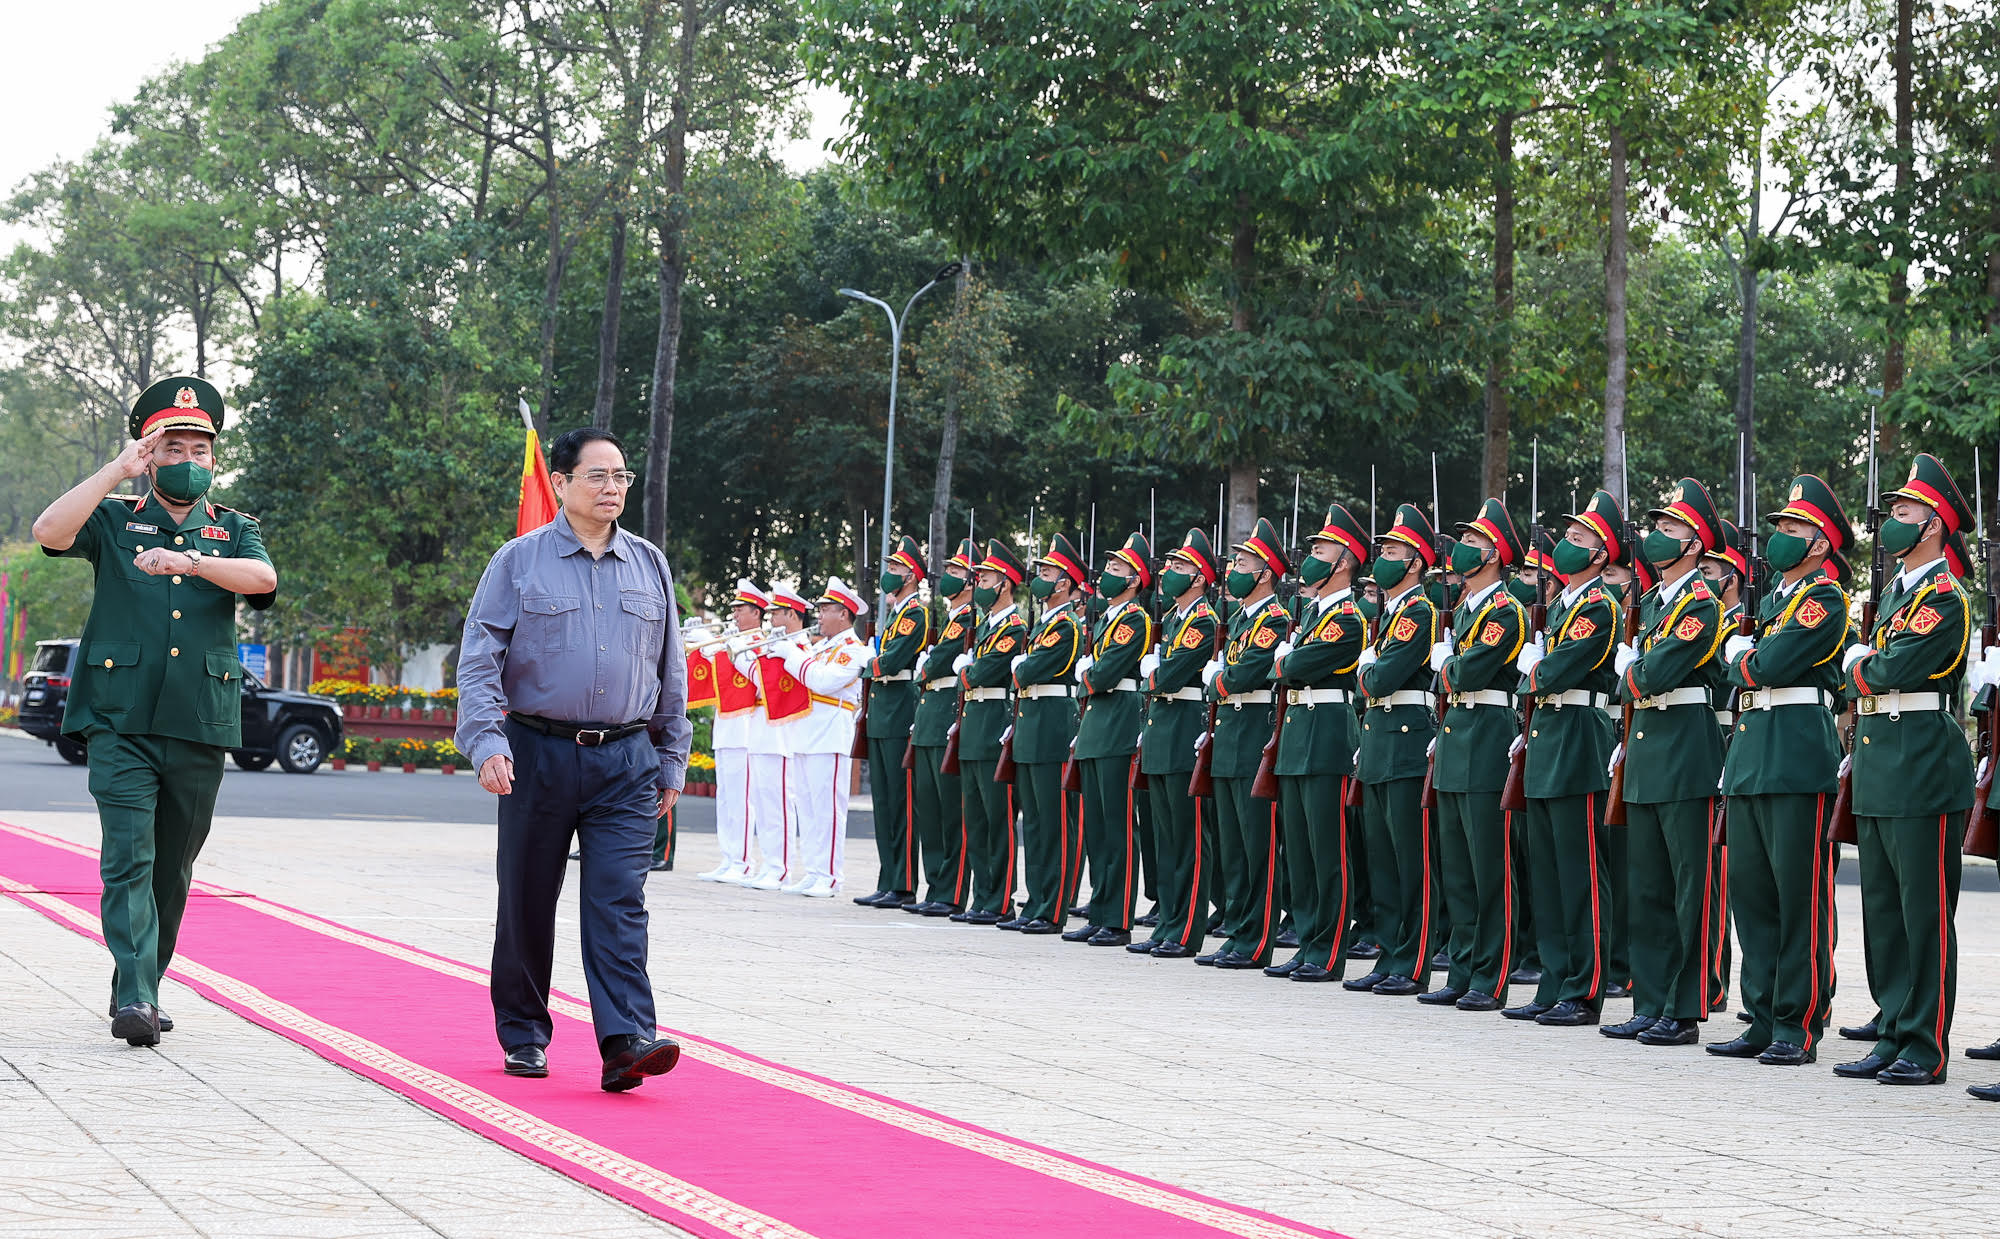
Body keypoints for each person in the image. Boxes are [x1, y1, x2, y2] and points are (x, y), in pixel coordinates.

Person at [33, 377, 279, 1047]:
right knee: (128, 858)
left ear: (216, 459)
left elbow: (265, 581)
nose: (188, 458)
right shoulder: (113, 517)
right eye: (173, 446)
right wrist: (117, 469)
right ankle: (137, 996)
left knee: (173, 866)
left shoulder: (234, 529)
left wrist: (194, 561)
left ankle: (140, 978)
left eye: (200, 447)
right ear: (150, 450)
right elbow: (48, 531)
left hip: (199, 721)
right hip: (118, 720)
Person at [456, 425, 690, 1092]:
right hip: (539, 752)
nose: (612, 487)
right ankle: (525, 1031)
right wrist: (487, 741)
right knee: (528, 897)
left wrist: (671, 756)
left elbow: (669, 669)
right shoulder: (518, 562)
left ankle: (625, 1040)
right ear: (561, 483)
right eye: (597, 475)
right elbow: (480, 662)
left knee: (619, 898)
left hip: (626, 759)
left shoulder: (650, 564)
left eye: (620, 476)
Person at [1839, 455, 1974, 1088]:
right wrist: (1866, 665)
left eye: (1903, 513)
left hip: (1921, 757)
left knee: (1923, 914)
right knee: (1883, 911)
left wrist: (1863, 665)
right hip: (1879, 757)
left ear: (1935, 524)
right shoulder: (1896, 592)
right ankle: (1892, 1028)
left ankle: (1925, 1042)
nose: (1891, 522)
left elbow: (1893, 670)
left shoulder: (1942, 595)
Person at [1706, 475, 1851, 1067]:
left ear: (1819, 543)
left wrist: (1744, 659)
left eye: (1792, 529)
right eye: (1780, 527)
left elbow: (1768, 664)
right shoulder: (1769, 603)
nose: (1779, 537)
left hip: (1796, 756)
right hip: (1751, 755)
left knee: (1801, 898)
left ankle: (1797, 1022)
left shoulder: (1825, 600)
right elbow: (1734, 666)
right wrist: (1743, 661)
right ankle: (1761, 1016)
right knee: (1754, 897)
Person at [1603, 480, 1727, 1047]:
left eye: (1671, 529)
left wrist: (1631, 672)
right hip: (1651, 746)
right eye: (1656, 528)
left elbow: (1652, 676)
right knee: (1647, 885)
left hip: (1684, 747)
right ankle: (1649, 999)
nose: (1657, 537)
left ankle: (1684, 1006)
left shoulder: (1700, 601)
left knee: (1687, 886)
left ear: (1696, 544)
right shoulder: (1651, 603)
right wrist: (1632, 675)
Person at [1506, 491, 1623, 1027]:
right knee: (1549, 874)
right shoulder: (1559, 605)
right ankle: (1553, 980)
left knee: (1580, 874)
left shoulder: (1599, 605)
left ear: (1601, 556)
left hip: (1578, 735)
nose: (1566, 546)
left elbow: (1554, 673)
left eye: (1579, 540)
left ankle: (1585, 985)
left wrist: (1534, 668)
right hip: (1549, 734)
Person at [1426, 497, 1528, 1010]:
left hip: (1486, 734)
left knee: (1490, 869)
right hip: (1455, 733)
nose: (1459, 549)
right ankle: (1462, 968)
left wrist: (1446, 663)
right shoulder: (1463, 609)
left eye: (1471, 543)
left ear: (1493, 556)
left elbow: (1466, 674)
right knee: (1459, 869)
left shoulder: (1504, 611)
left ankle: (1491, 975)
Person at [1267, 504, 1370, 982]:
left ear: (1344, 561)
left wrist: (1288, 660)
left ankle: (1328, 950)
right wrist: (1289, 660)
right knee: (1301, 852)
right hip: (1296, 732)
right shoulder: (1311, 612)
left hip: (1327, 729)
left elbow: (1295, 667)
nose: (1311, 556)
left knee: (1328, 850)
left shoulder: (1347, 616)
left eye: (1321, 549)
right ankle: (1307, 940)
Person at [1347, 504, 1441, 995]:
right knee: (1382, 859)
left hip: (1406, 740)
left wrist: (1366, 671)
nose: (1382, 557)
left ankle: (1413, 958)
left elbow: (1381, 679)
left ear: (1416, 562)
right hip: (1380, 740)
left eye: (1393, 551)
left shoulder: (1419, 612)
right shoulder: (1393, 614)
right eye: (1382, 549)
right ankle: (1388, 953)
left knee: (1411, 861)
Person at [1199, 516, 1293, 970]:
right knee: (1233, 846)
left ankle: (1256, 939)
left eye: (1244, 562)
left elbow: (1244, 674)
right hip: (1230, 734)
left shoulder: (1275, 618)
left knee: (1257, 847)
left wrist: (1217, 678)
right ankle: (1237, 930)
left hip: (1255, 730)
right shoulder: (1239, 618)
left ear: (1266, 573)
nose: (1235, 568)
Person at [1136, 531, 1223, 957]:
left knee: (1188, 839)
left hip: (1183, 731)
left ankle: (1187, 928)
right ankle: (1167, 921)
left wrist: (1152, 671)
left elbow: (1166, 677)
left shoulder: (1203, 621)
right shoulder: (1172, 618)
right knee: (1166, 839)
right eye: (1169, 566)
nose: (1169, 573)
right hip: (1162, 730)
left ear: (1200, 578)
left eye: (1180, 568)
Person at [1068, 531, 1155, 946]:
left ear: (1135, 579)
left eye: (1116, 569)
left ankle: (1118, 916)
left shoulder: (1135, 619)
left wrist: (1086, 676)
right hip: (1097, 728)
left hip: (1118, 726)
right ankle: (1101, 909)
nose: (1106, 575)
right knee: (1099, 829)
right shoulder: (1107, 619)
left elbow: (1102, 675)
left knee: (1118, 828)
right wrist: (1091, 676)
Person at [1007, 534, 1088, 934]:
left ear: (1064, 583)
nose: (1038, 578)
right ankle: (1035, 900)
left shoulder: (1066, 625)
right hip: (1031, 723)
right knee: (1035, 823)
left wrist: (1021, 664)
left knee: (1055, 823)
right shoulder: (1046, 625)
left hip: (1052, 724)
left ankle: (1054, 907)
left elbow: (1026, 671)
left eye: (1047, 572)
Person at [776, 579, 870, 897]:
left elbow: (821, 681)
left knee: (828, 808)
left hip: (830, 735)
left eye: (827, 609)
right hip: (807, 733)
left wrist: (791, 653)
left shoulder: (853, 651)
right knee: (808, 807)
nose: (820, 615)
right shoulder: (819, 648)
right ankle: (814, 871)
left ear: (844, 614)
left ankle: (831, 876)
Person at [855, 536, 934, 909]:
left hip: (899, 711)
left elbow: (888, 662)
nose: (888, 575)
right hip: (883, 712)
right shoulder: (895, 615)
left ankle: (902, 883)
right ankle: (888, 878)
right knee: (884, 803)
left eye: (895, 569)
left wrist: (867, 664)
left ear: (912, 576)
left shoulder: (915, 614)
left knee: (901, 803)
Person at [955, 540, 1031, 924]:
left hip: (993, 724)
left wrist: (964, 671)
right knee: (976, 820)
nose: (979, 583)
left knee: (998, 819)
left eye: (985, 577)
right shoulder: (985, 626)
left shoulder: (1014, 627)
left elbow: (981, 674)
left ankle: (1000, 898)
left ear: (1005, 584)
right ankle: (982, 895)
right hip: (973, 725)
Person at [912, 539, 979, 916]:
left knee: (951, 811)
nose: (948, 579)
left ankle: (952, 889)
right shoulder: (952, 619)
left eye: (956, 573)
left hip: (946, 715)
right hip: (929, 715)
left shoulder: (967, 619)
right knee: (931, 811)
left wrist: (929, 662)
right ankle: (936, 884)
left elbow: (935, 666)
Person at [1700, 519, 1751, 1014]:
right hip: (1720, 736)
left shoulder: (1743, 621)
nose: (1703, 576)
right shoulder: (1711, 619)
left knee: (1722, 872)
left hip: (1732, 736)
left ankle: (1714, 977)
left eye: (1711, 569)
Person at [697, 579, 768, 884]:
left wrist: (722, 644)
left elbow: (749, 670)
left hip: (746, 729)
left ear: (756, 613)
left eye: (741, 610)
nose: (736, 615)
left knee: (741, 800)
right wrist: (706, 639)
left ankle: (742, 860)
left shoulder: (758, 642)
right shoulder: (733, 641)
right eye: (735, 610)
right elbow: (712, 661)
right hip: (726, 727)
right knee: (726, 799)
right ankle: (729, 857)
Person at [749, 584, 812, 888]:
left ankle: (782, 867)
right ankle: (769, 862)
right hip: (762, 727)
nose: (770, 618)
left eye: (776, 613)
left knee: (779, 803)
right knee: (763, 803)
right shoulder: (775, 644)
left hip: (784, 732)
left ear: (791, 614)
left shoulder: (801, 647)